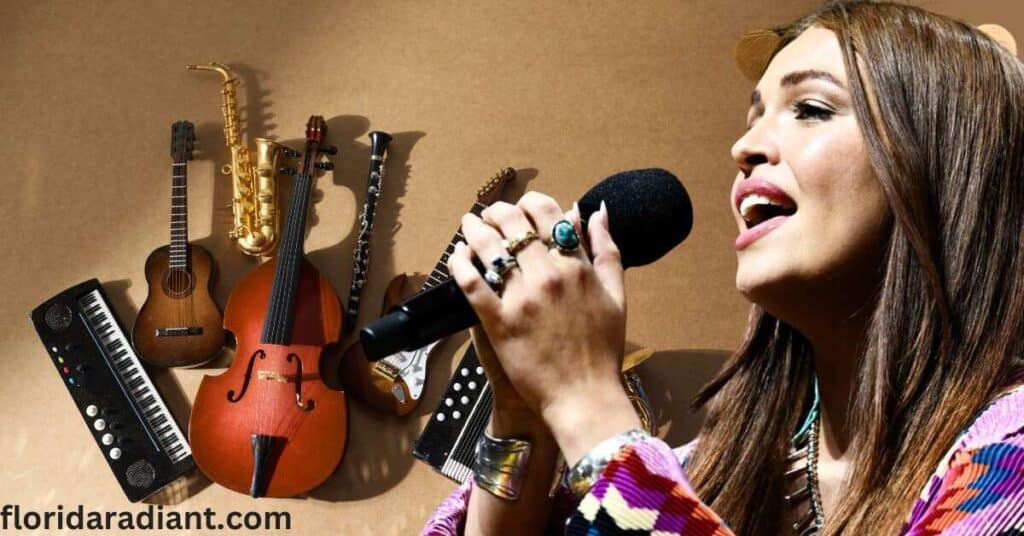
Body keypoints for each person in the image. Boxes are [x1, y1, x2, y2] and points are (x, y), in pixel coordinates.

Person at [423, 1, 1024, 534]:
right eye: (753, 118)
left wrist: (585, 402)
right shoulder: (718, 466)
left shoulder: (1008, 452)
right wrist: (523, 420)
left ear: (943, 171)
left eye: (811, 107)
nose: (744, 147)